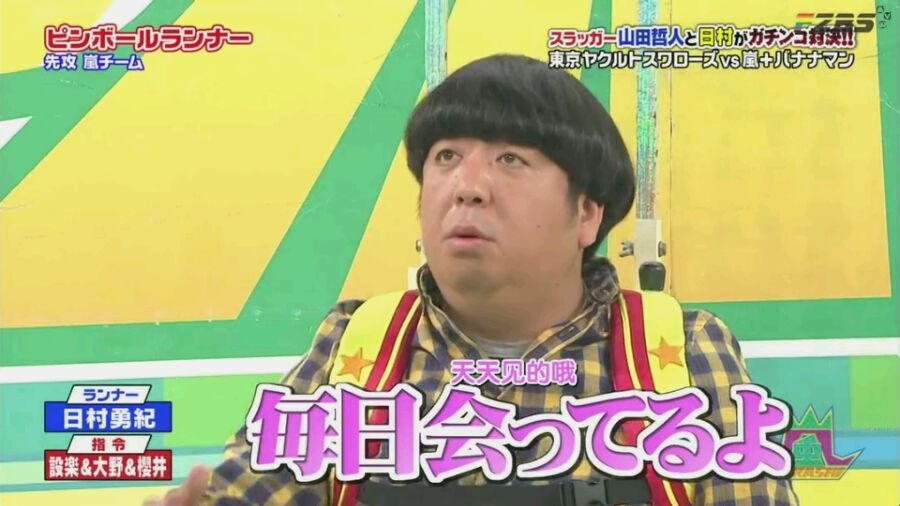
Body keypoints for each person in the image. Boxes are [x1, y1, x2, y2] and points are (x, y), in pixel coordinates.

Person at [144, 54, 799, 506]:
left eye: (510, 159)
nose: (468, 187)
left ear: (587, 213)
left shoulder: (682, 348)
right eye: (446, 156)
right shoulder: (355, 344)